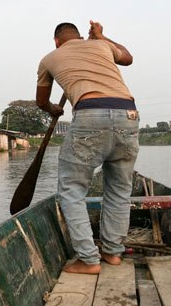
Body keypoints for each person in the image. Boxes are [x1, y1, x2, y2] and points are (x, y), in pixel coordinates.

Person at [36, 20, 138, 275]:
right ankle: (113, 253)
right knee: (119, 190)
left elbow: (41, 101)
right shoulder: (102, 46)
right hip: (129, 114)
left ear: (57, 41)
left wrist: (54, 109)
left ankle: (89, 260)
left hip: (90, 114)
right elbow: (127, 57)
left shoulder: (50, 58)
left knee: (72, 189)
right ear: (81, 37)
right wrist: (103, 36)